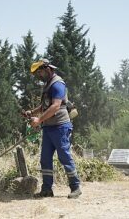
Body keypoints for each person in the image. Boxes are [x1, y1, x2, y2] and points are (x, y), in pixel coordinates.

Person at [25, 58, 82, 199]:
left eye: (39, 72)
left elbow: (55, 106)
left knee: (64, 156)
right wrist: (32, 113)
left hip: (61, 126)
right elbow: (45, 105)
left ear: (47, 69)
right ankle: (47, 189)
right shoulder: (48, 85)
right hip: (49, 128)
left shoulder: (57, 84)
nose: (39, 76)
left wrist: (38, 120)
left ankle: (75, 187)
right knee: (45, 159)